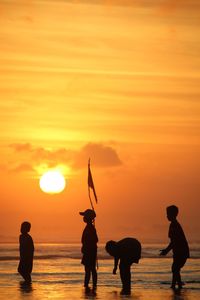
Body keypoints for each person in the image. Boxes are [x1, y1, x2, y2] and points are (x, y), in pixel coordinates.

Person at [160, 205, 189, 289]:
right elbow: (173, 242)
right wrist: (167, 250)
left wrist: (166, 250)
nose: (167, 216)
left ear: (173, 214)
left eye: (168, 214)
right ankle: (177, 285)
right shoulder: (174, 224)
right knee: (175, 269)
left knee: (175, 268)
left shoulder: (174, 225)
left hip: (181, 251)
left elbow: (174, 241)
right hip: (179, 251)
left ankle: (175, 285)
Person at [79, 209, 98, 291]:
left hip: (89, 252)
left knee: (89, 269)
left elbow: (95, 240)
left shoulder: (90, 228)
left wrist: (87, 246)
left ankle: (89, 286)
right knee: (90, 269)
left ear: (88, 218)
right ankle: (90, 285)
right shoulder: (90, 227)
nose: (83, 218)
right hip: (89, 252)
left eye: (85, 216)